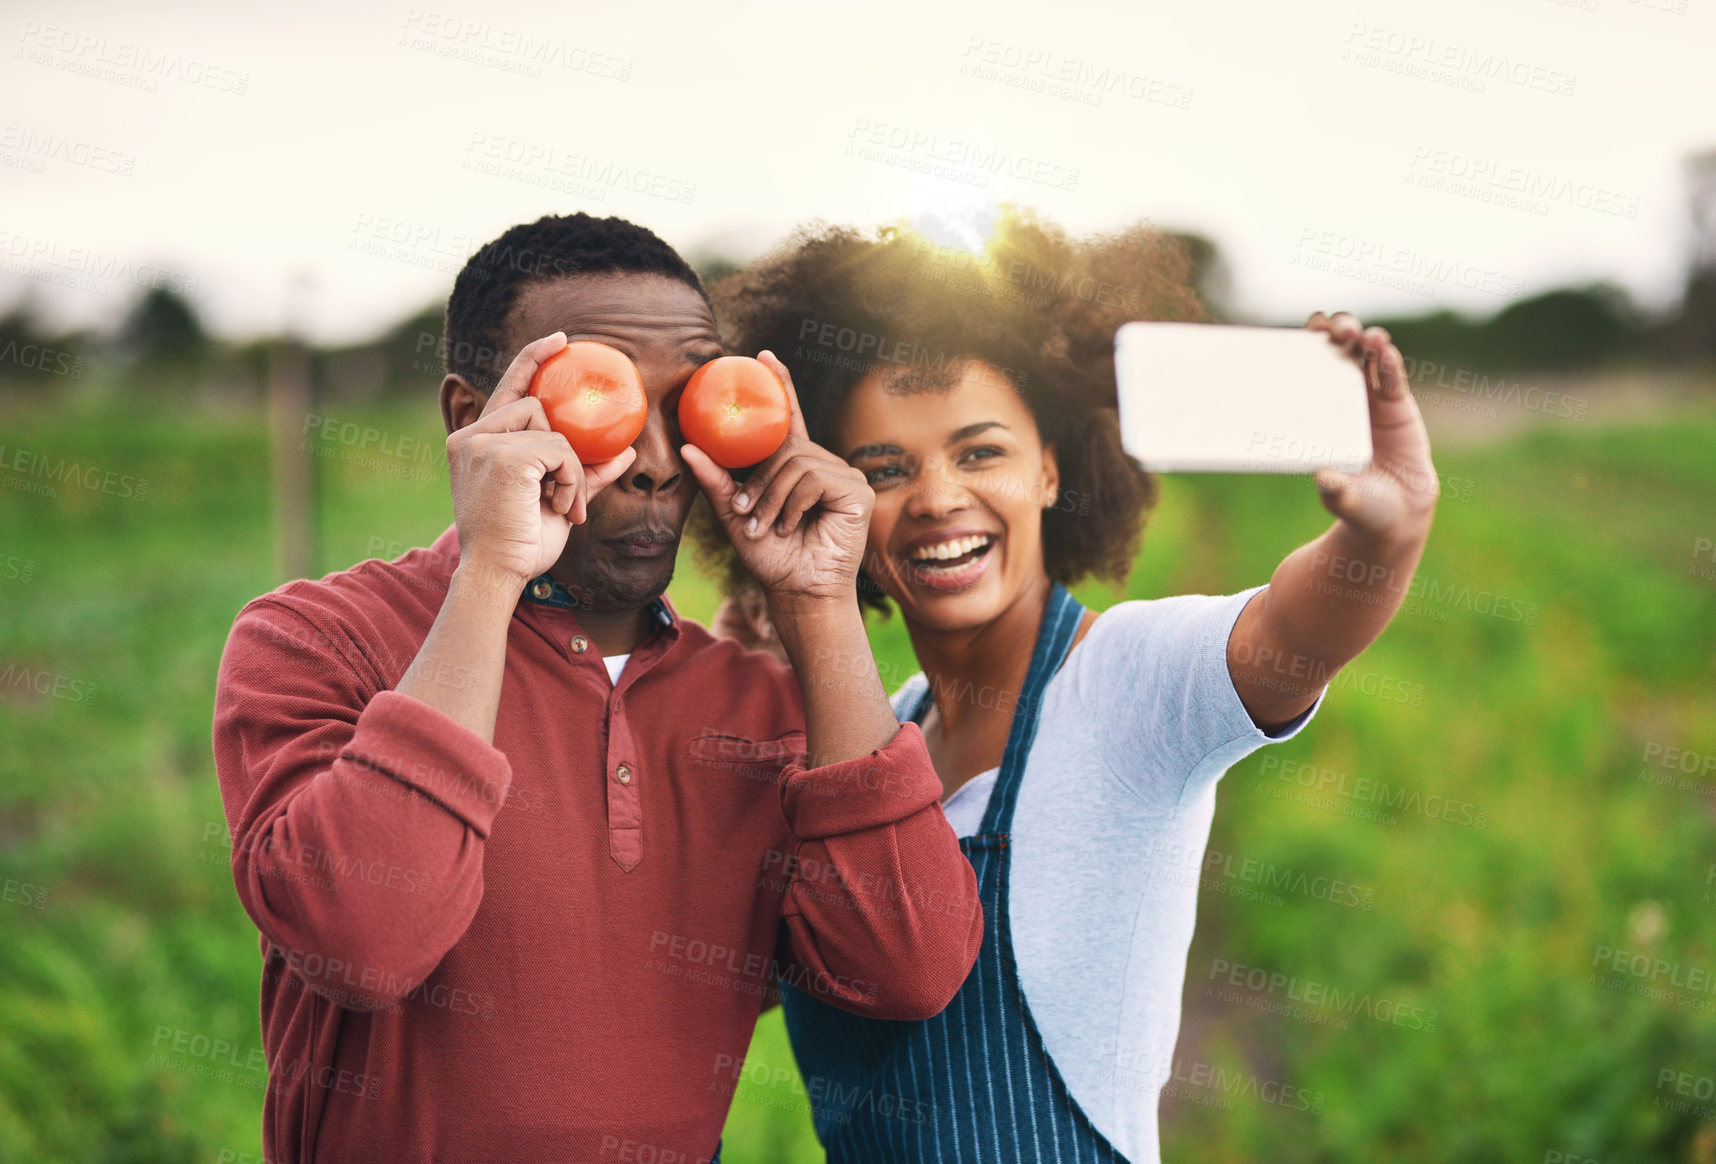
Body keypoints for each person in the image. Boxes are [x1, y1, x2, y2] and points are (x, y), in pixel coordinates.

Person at [210, 212, 982, 1164]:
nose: (656, 462)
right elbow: (366, 940)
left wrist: (818, 603)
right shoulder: (319, 640)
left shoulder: (763, 703)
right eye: (598, 399)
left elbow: (909, 967)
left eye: (695, 401)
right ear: (472, 420)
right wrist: (491, 571)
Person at [703, 208, 1439, 1162]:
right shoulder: (872, 750)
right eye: (885, 468)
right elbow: (730, 969)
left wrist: (1387, 534)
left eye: (980, 452)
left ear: (1050, 470)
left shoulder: (1128, 681)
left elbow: (1296, 631)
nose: (936, 498)